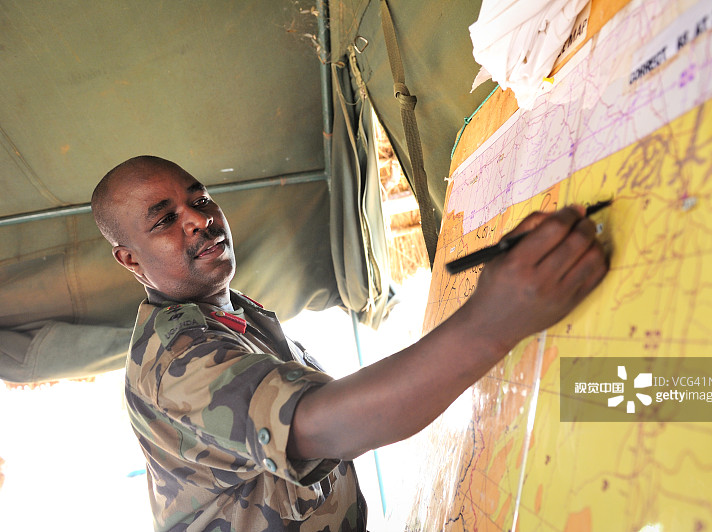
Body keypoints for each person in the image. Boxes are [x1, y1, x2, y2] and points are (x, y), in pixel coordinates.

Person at [91, 155, 608, 531]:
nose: (200, 219)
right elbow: (323, 423)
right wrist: (493, 321)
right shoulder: (174, 357)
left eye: (200, 199)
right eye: (165, 220)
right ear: (131, 259)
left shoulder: (241, 317)